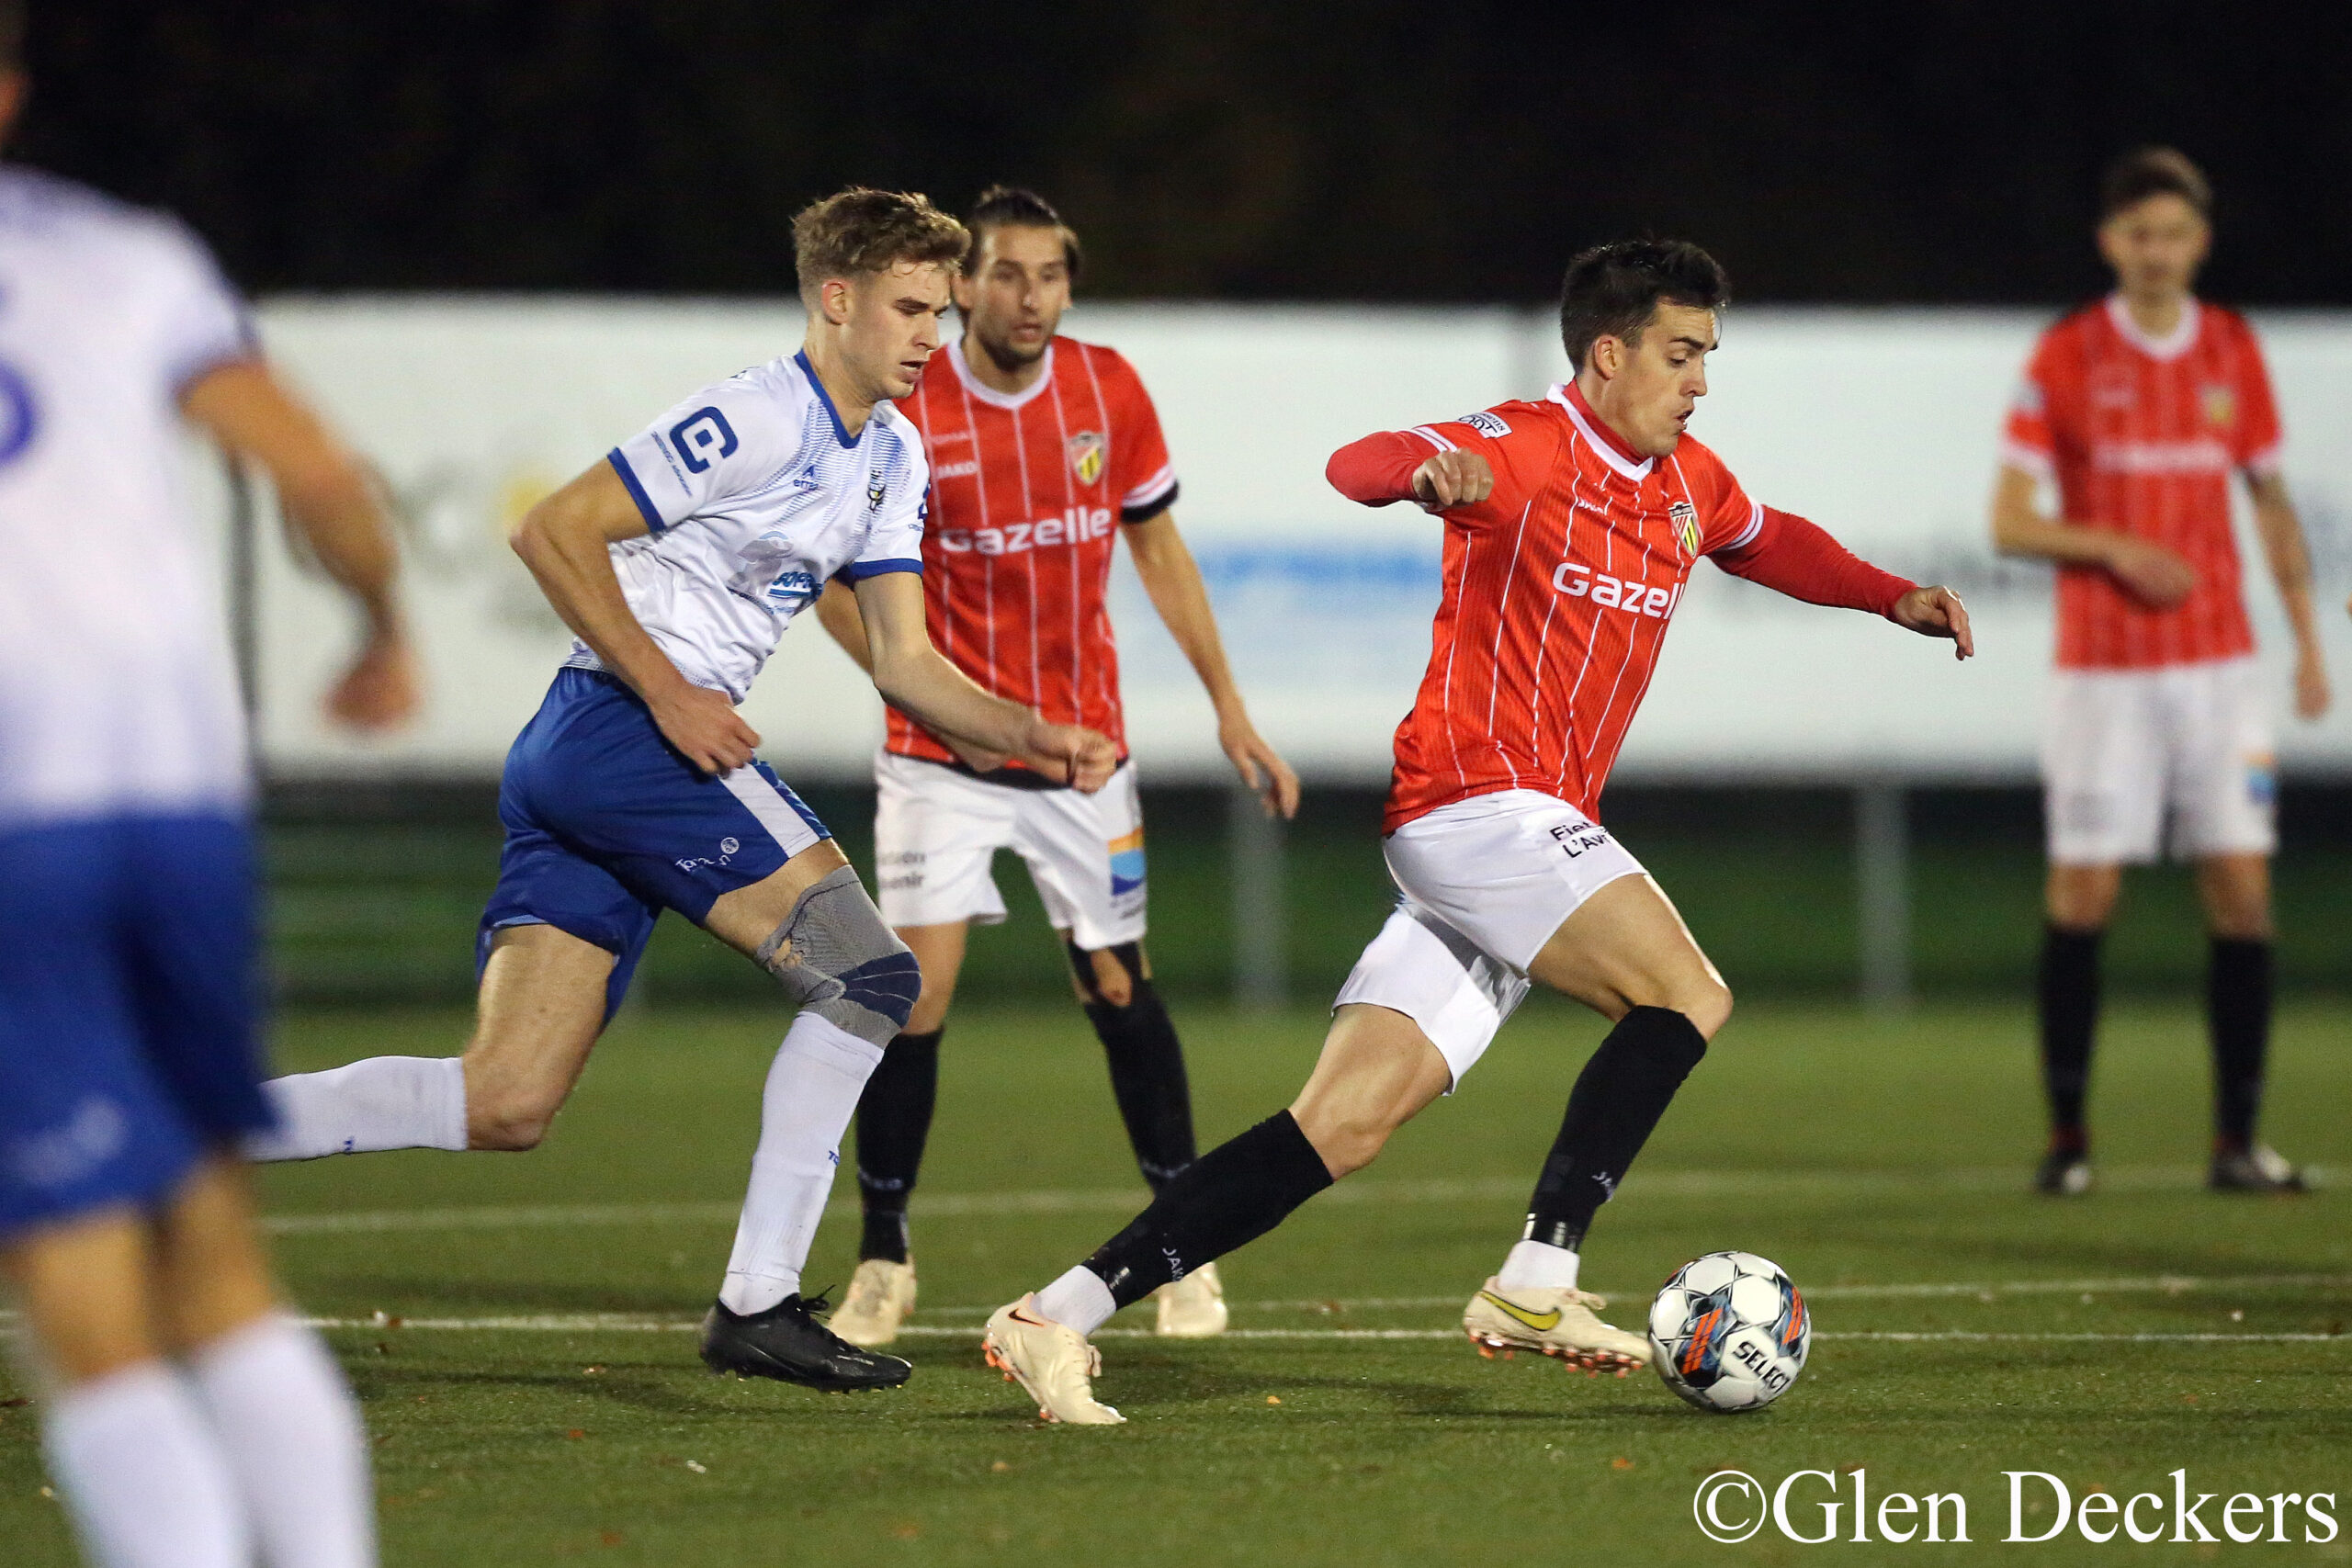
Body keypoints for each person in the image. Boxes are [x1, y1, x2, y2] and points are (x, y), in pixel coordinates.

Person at [976, 239, 1973, 1423]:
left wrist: (1886, 594)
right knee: (1685, 996)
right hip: (1477, 801)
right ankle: (1536, 1278)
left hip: (1509, 835)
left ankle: (1053, 1316)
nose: (1699, 379)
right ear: (1608, 354)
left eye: (1707, 355)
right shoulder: (1526, 446)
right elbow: (1358, 461)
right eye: (1680, 353)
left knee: (1335, 1130)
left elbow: (1768, 539)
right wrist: (1424, 474)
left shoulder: (1686, 480)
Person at [241, 187, 1117, 1392]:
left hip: (599, 751)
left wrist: (1031, 734)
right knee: (871, 975)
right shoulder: (760, 414)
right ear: (837, 298)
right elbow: (554, 527)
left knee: (505, 1099)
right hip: (624, 733)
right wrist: (666, 690)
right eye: (913, 306)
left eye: (945, 308)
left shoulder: (895, 453)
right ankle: (755, 1300)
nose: (934, 332)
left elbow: (906, 659)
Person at [0, 4, 414, 1559]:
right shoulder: (129, 259)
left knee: (84, 1308)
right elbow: (314, 470)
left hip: (15, 827)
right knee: (217, 1263)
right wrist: (381, 624)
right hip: (176, 811)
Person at [810, 186, 1297, 1347]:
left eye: (1053, 275)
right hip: (942, 756)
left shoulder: (1107, 388)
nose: (1033, 297)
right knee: (910, 998)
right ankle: (883, 1257)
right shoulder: (911, 412)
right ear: (966, 285)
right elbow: (841, 586)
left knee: (1119, 988)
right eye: (1009, 275)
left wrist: (1230, 707)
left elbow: (1158, 545)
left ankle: (1181, 1252)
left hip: (1084, 756)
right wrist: (912, 682)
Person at [1993, 147, 2327, 1197]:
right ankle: (2066, 1139)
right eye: (2138, 233)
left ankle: (2236, 1144)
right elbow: (2008, 520)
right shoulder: (2065, 355)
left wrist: (2307, 639)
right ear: (2110, 242)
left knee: (2240, 891)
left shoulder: (2231, 349)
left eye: (2174, 233)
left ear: (2199, 242)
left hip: (2220, 669)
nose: (2156, 252)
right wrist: (2111, 547)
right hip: (2103, 673)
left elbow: (2270, 502)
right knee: (2084, 892)